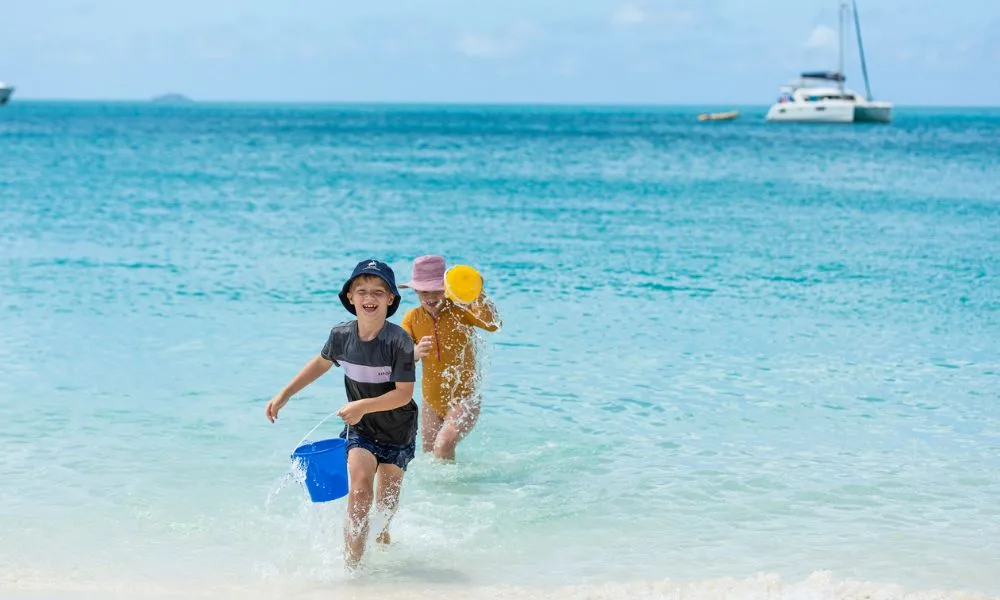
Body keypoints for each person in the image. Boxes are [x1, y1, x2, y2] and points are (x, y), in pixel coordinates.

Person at [265, 259, 417, 569]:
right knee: (360, 493)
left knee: (385, 504)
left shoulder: (399, 341)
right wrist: (285, 393)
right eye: (361, 291)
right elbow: (320, 364)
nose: (369, 297)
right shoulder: (341, 335)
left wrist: (361, 405)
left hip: (399, 429)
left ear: (390, 299)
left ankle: (383, 543)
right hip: (361, 429)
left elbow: (403, 394)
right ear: (350, 297)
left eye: (378, 291)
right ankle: (353, 570)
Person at [399, 255, 501, 461]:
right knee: (430, 456)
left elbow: (493, 324)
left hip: (465, 398)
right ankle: (450, 484)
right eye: (424, 291)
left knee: (444, 445)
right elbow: (400, 356)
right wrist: (415, 352)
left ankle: (455, 482)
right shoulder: (412, 318)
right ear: (416, 291)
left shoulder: (461, 311)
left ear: (447, 289)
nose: (431, 297)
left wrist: (478, 293)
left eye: (437, 290)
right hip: (431, 400)